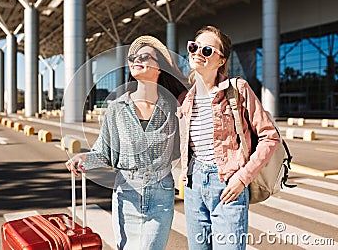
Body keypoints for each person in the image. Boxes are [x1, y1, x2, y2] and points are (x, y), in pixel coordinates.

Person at [65, 35, 187, 250]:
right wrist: (83, 158)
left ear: (160, 68)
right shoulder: (117, 108)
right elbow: (105, 153)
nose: (136, 60)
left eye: (145, 56)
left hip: (161, 193)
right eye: (133, 57)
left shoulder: (173, 107)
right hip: (126, 192)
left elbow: (185, 147)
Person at [177, 25, 280, 249]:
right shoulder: (186, 99)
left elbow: (269, 136)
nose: (197, 53)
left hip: (227, 183)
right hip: (194, 186)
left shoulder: (237, 89)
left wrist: (242, 178)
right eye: (193, 47)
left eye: (207, 50)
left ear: (221, 60)